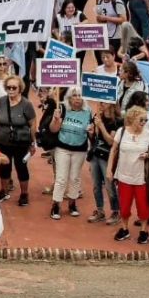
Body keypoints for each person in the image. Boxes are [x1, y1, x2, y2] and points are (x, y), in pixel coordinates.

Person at [107, 105, 149, 244]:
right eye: (141, 120)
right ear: (132, 118)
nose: (144, 123)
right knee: (125, 205)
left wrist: (148, 155)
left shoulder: (148, 134)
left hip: (141, 177)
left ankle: (144, 231)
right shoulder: (121, 132)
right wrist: (109, 169)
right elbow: (114, 150)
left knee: (143, 206)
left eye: (145, 120)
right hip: (124, 176)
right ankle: (124, 228)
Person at [0, 76, 37, 206]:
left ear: (20, 89)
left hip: (21, 142)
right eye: (8, 87)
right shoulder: (0, 102)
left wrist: (33, 142)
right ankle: (3, 191)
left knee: (21, 167)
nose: (11, 90)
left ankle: (24, 194)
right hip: (3, 141)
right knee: (4, 167)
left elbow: (33, 123)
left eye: (14, 87)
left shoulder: (26, 104)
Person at [48, 89, 90, 220]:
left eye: (79, 95)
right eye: (74, 96)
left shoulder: (88, 112)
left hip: (80, 149)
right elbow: (53, 129)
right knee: (61, 178)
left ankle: (72, 204)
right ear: (69, 98)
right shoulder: (61, 108)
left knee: (75, 177)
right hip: (62, 148)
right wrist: (56, 120)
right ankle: (56, 205)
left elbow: (92, 132)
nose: (77, 98)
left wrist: (93, 130)